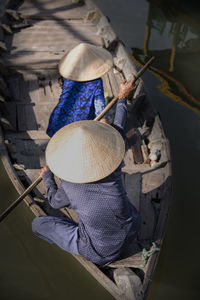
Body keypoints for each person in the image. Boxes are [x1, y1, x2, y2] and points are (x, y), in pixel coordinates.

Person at [32, 76, 141, 266]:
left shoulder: (69, 184)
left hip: (99, 252)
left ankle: (77, 235)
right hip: (132, 230)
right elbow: (119, 128)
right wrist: (122, 98)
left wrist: (47, 177)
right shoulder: (113, 165)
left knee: (38, 224)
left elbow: (54, 202)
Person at [46, 43, 113, 137]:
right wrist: (107, 132)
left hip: (58, 120)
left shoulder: (68, 75)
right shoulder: (96, 82)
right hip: (79, 125)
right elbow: (100, 110)